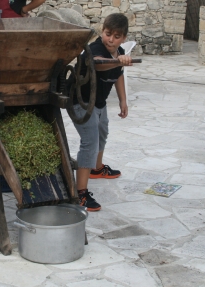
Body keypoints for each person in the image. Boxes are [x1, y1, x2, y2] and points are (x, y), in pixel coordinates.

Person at [71, 13, 133, 212]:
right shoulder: (95, 49)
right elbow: (97, 62)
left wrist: (123, 100)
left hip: (99, 102)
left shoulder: (119, 51)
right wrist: (118, 61)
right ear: (102, 31)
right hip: (81, 102)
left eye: (116, 37)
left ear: (123, 38)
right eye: (108, 34)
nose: (111, 40)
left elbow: (119, 76)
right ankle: (80, 193)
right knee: (90, 141)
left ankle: (96, 169)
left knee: (103, 133)